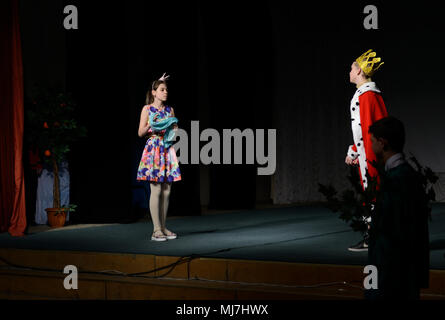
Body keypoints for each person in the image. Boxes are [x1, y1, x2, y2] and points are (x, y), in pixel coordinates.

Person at [366, 116, 430, 299]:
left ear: (382, 143)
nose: (371, 147)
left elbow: (393, 235)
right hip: (403, 274)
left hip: (391, 277)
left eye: (372, 142)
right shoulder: (409, 177)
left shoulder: (397, 180)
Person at [345, 49, 388, 252]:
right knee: (373, 196)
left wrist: (358, 153)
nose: (350, 71)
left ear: (360, 71)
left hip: (371, 156)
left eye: (353, 68)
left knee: (373, 196)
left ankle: (373, 238)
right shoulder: (367, 95)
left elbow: (367, 129)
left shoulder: (367, 96)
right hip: (369, 154)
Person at [137, 73, 182, 241]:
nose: (165, 92)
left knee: (167, 190)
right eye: (162, 89)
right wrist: (151, 123)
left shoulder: (170, 110)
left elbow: (175, 131)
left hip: (167, 148)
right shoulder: (147, 109)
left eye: (166, 89)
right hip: (154, 148)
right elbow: (140, 132)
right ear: (154, 92)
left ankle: (163, 227)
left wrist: (173, 128)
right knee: (155, 189)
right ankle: (156, 230)